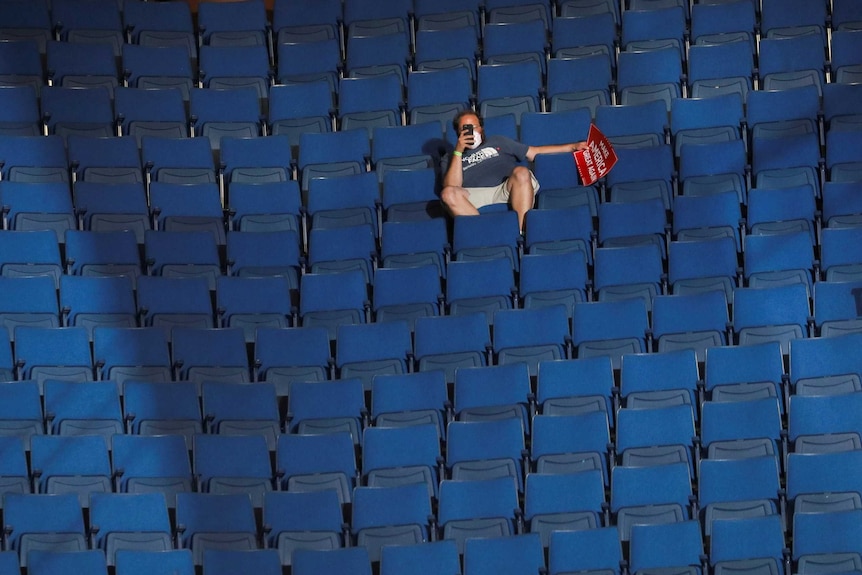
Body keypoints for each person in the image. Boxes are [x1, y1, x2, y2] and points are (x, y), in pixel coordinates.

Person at [440, 110, 589, 232]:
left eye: (474, 127)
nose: (471, 132)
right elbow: (452, 187)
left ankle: (519, 234)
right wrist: (458, 152)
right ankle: (485, 233)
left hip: (506, 188)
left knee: (522, 172)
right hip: (474, 195)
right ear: (458, 134)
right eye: (464, 129)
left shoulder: (498, 141)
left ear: (482, 128)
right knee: (447, 193)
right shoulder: (451, 158)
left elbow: (534, 152)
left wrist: (572, 147)